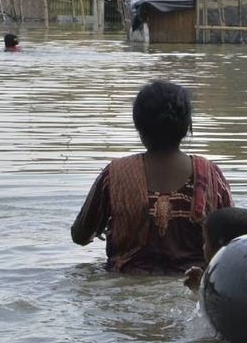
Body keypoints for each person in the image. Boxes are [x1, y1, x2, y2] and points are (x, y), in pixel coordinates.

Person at [71, 80, 233, 274]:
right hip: (192, 287)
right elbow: (233, 239)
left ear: (139, 127)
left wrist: (102, 228)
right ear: (187, 127)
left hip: (124, 286)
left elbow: (80, 235)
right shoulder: (211, 175)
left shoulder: (114, 175)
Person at [183, 207, 247, 291]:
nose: (203, 247)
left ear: (219, 249)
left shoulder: (225, 285)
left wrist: (198, 289)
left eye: (205, 240)